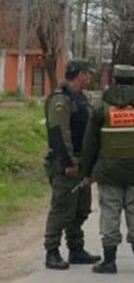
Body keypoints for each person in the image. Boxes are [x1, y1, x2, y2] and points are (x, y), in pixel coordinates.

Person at [81, 64, 134, 274]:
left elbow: (90, 143)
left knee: (110, 212)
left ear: (114, 79)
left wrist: (87, 171)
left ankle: (109, 262)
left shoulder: (101, 104)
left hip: (109, 169)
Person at [43, 59, 101, 270]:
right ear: (80, 75)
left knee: (80, 209)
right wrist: (68, 163)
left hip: (82, 162)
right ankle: (52, 251)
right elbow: (59, 133)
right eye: (87, 74)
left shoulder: (82, 99)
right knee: (61, 208)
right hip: (65, 163)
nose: (89, 78)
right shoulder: (61, 99)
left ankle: (76, 249)